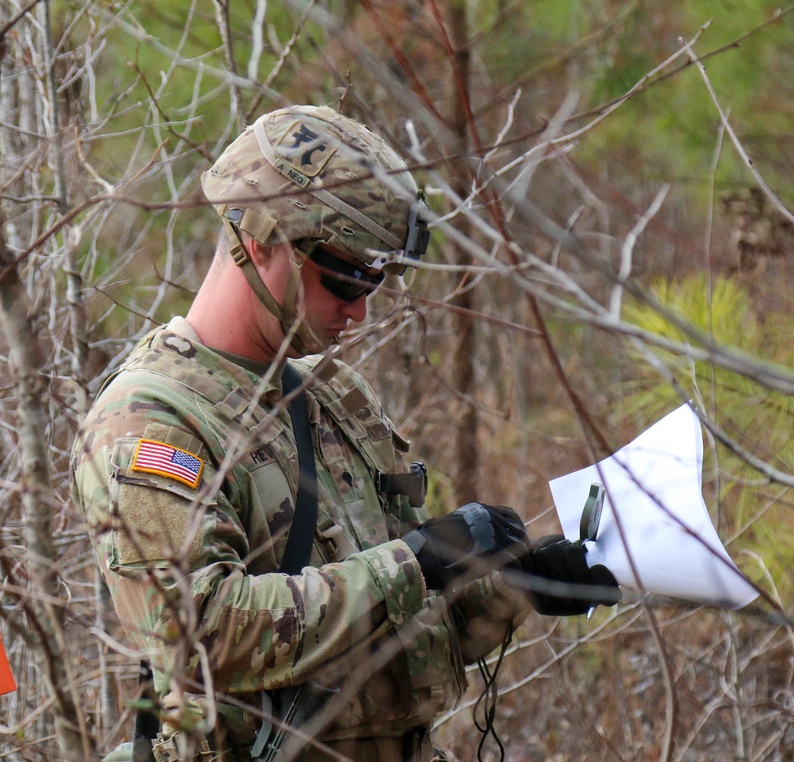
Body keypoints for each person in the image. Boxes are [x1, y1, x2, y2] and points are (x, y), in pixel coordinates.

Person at [71, 105, 620, 762]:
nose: (360, 309)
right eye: (344, 278)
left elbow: (390, 636)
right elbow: (201, 636)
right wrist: (414, 561)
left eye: (376, 279)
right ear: (261, 242)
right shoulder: (154, 421)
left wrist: (513, 588)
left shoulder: (331, 395)